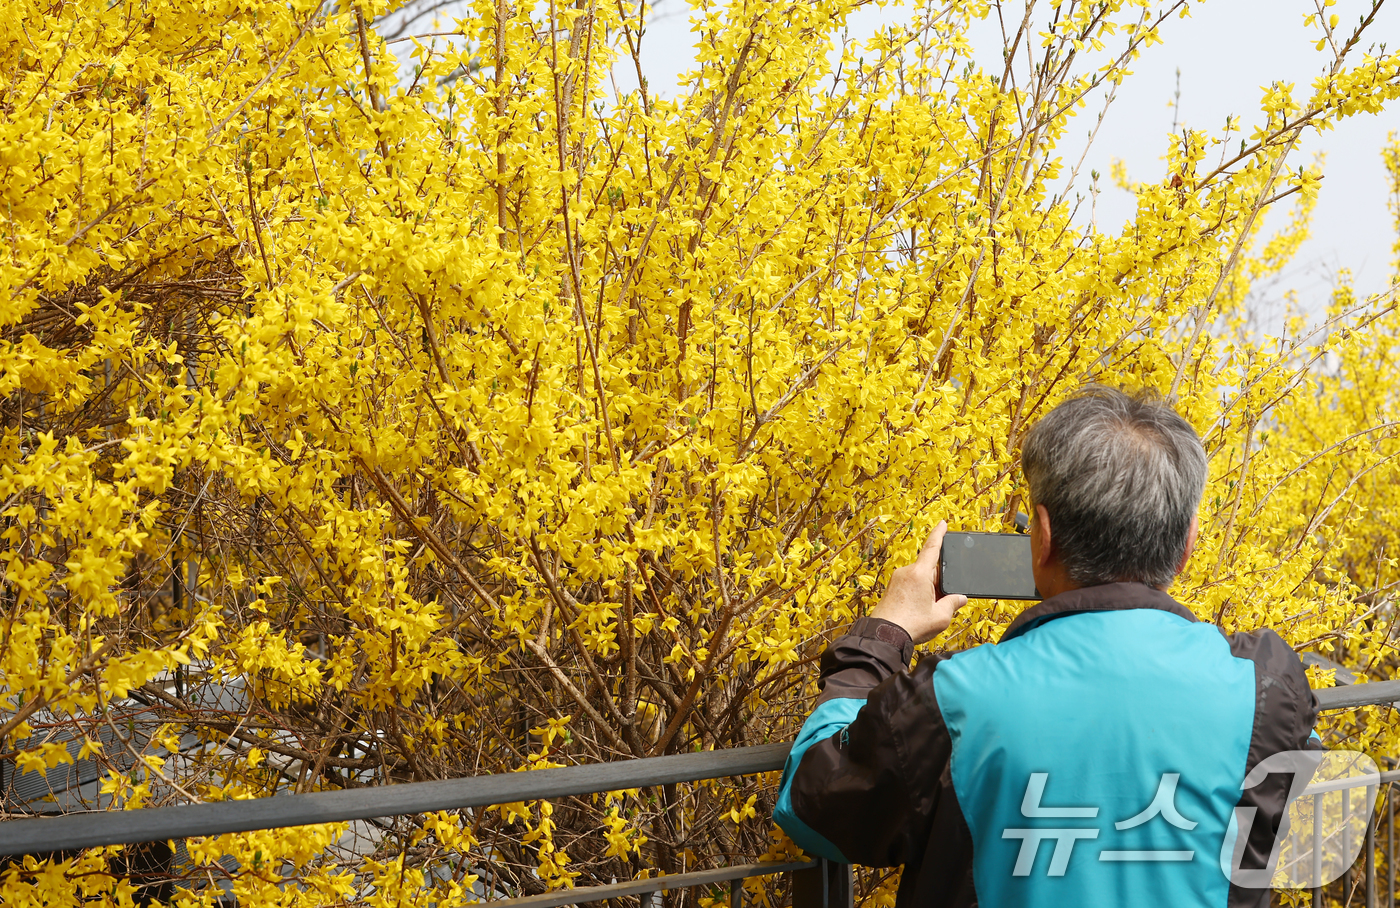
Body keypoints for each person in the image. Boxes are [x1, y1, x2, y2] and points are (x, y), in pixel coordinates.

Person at [773, 386, 1319, 908]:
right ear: (1188, 542)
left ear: (1042, 535)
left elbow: (814, 804)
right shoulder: (1265, 686)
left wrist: (883, 635)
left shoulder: (955, 700)